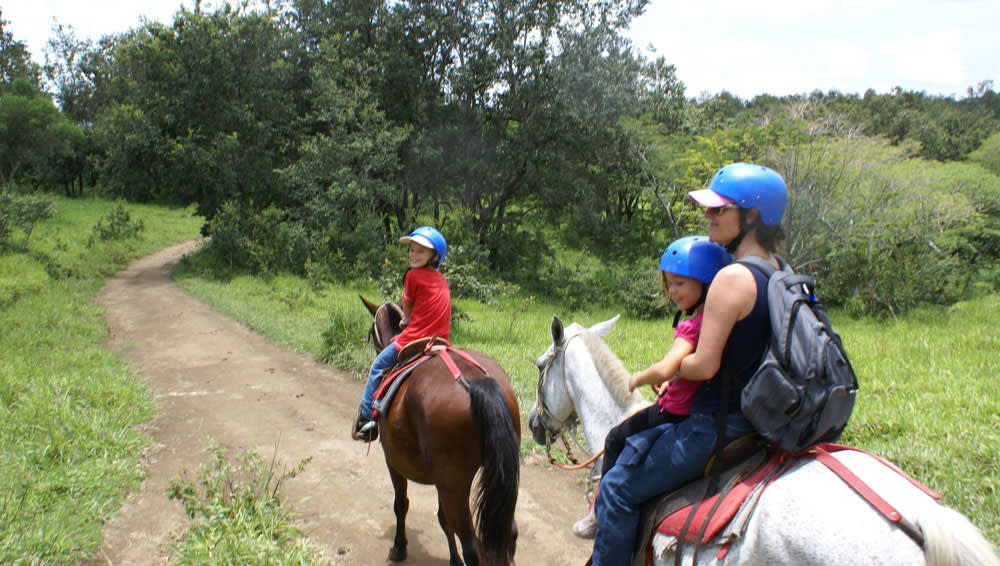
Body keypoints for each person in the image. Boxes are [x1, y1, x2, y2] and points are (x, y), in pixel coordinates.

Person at [590, 162, 787, 565]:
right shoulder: (781, 271)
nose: (708, 217)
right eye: (708, 210)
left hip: (714, 425)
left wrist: (669, 370)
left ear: (752, 216)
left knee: (617, 488)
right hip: (763, 421)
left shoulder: (732, 278)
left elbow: (704, 366)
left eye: (720, 210)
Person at [572, 235, 731, 538]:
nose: (672, 291)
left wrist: (640, 377)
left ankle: (598, 511)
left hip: (675, 411)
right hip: (695, 407)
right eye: (669, 284)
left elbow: (669, 365)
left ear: (706, 282)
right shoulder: (712, 323)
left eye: (680, 283)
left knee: (618, 438)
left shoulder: (690, 325)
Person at [352, 226, 451, 442]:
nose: (413, 255)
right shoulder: (441, 279)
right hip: (441, 340)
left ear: (435, 256)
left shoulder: (412, 276)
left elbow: (407, 305)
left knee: (378, 365)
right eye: (411, 250)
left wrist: (406, 320)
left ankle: (366, 418)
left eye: (420, 252)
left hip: (415, 338)